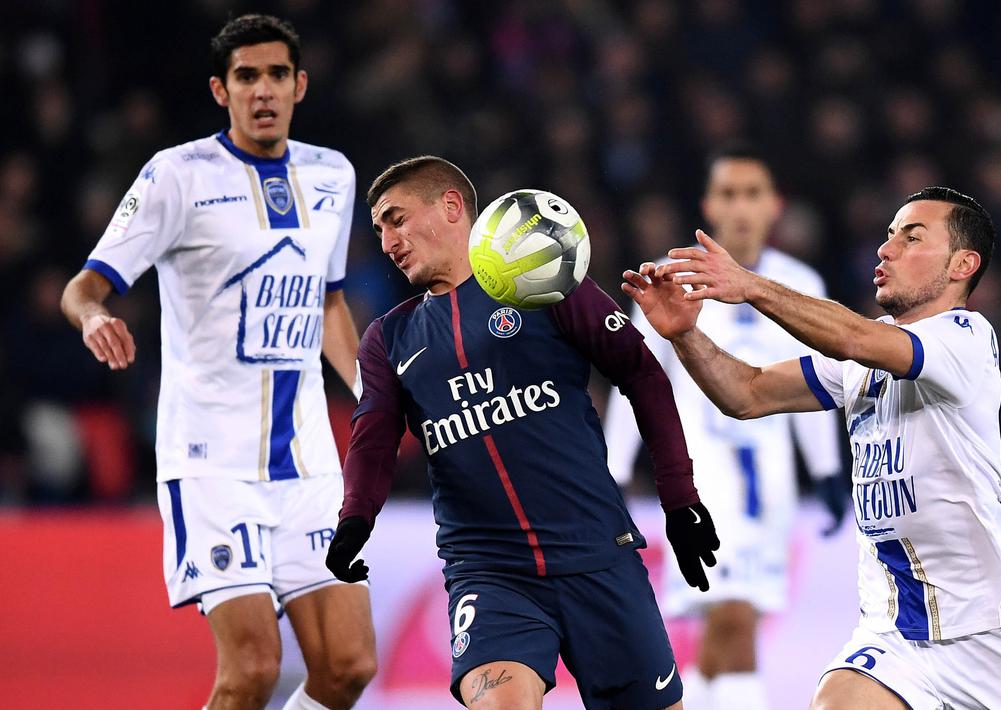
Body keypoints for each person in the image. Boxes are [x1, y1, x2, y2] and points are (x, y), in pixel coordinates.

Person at [621, 187, 1001, 710]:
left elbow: (854, 340)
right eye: (889, 235)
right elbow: (746, 393)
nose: (886, 249)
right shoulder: (861, 356)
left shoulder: (966, 337)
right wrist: (686, 335)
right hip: (894, 639)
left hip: (991, 636)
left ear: (963, 265)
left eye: (912, 238)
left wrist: (751, 286)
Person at [324, 155, 720, 710]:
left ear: (451, 207)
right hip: (489, 573)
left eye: (397, 219)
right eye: (379, 230)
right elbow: (372, 440)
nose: (388, 242)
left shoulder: (542, 278)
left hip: (597, 553)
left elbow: (641, 374)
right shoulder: (389, 337)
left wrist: (679, 500)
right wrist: (355, 518)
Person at [60, 15, 376, 710]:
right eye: (245, 76)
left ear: (299, 85)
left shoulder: (332, 174)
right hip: (212, 465)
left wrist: (377, 400)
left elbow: (327, 304)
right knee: (253, 670)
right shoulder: (176, 176)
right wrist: (94, 317)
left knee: (349, 666)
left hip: (309, 465)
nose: (262, 90)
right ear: (220, 89)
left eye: (275, 75)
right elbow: (82, 288)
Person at [604, 145, 843, 710]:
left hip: (770, 484)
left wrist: (827, 468)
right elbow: (637, 379)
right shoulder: (669, 279)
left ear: (773, 206)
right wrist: (613, 467)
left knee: (732, 626)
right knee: (733, 616)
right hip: (700, 480)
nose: (740, 207)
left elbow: (816, 378)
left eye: (752, 194)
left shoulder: (798, 282)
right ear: (709, 205)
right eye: (729, 194)